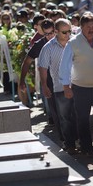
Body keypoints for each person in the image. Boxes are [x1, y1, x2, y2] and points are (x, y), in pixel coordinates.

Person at [59, 12, 93, 161]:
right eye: (88, 26)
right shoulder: (73, 43)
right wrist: (66, 86)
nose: (91, 29)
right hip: (80, 87)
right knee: (82, 119)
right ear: (81, 27)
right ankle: (87, 148)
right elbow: (65, 65)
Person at [38, 18, 78, 155]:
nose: (68, 35)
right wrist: (44, 85)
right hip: (60, 87)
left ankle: (83, 143)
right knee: (65, 118)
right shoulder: (48, 47)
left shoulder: (76, 42)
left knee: (79, 116)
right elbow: (42, 67)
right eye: (64, 32)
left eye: (70, 31)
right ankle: (70, 144)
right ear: (56, 32)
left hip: (79, 85)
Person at [19, 19, 60, 136]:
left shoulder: (63, 40)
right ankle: (64, 138)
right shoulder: (40, 45)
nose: (50, 36)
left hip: (65, 80)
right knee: (55, 111)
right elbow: (26, 62)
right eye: (46, 34)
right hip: (49, 82)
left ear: (55, 31)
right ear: (42, 33)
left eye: (52, 33)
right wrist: (21, 81)